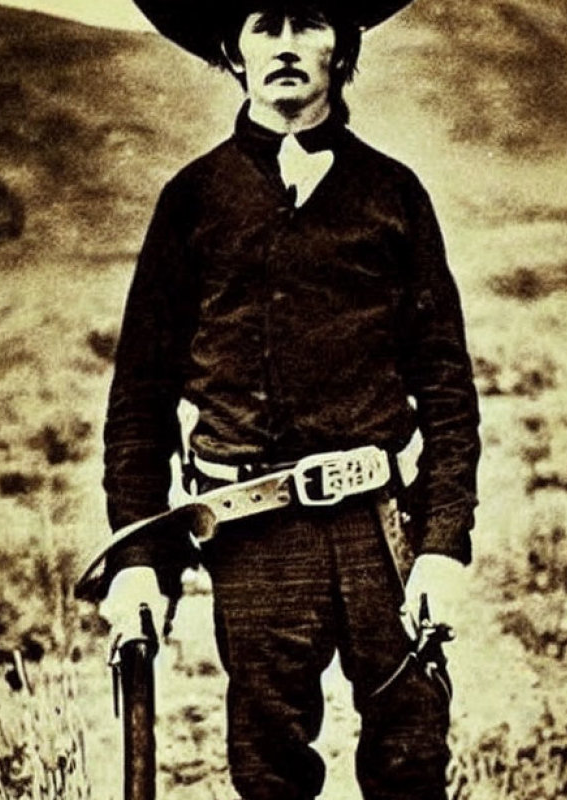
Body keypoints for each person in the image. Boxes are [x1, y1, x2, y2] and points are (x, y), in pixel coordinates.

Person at [99, 1, 481, 798]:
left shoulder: (394, 195)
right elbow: (140, 398)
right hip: (254, 537)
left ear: (342, 48)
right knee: (269, 771)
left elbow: (446, 389)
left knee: (411, 757)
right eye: (264, 26)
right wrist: (138, 562)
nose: (285, 47)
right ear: (233, 53)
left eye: (308, 23)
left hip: (381, 532)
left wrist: (442, 545)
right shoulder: (192, 201)